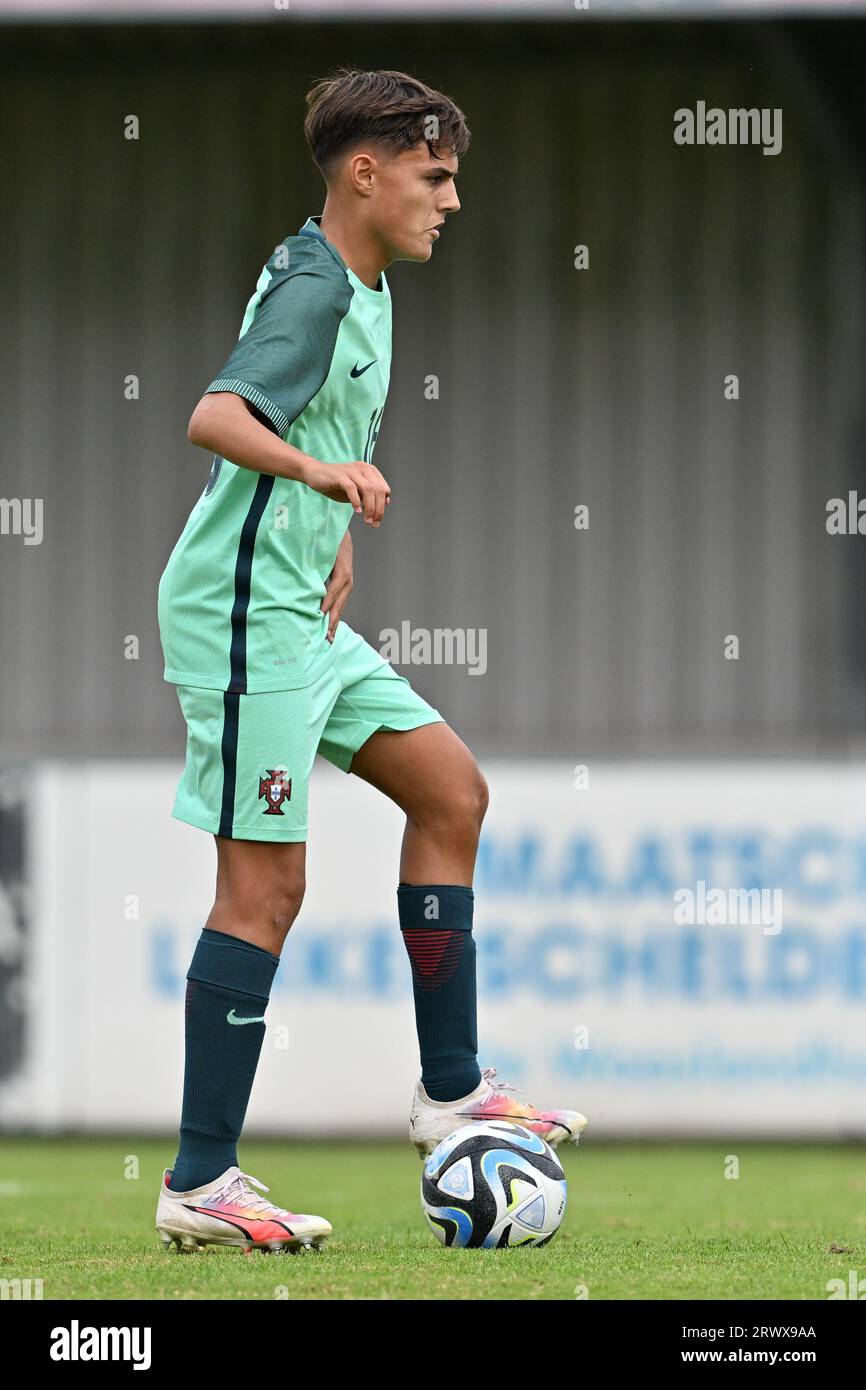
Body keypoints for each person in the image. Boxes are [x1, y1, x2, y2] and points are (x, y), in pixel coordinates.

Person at [154, 66, 587, 1255]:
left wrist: (329, 515)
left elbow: (316, 420)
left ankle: (450, 1089)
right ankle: (199, 1179)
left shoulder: (368, 281)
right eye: (433, 176)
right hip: (243, 617)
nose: (449, 200)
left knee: (450, 789)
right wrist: (319, 479)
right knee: (266, 890)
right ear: (365, 171)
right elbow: (218, 413)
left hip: (301, 608)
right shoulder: (313, 286)